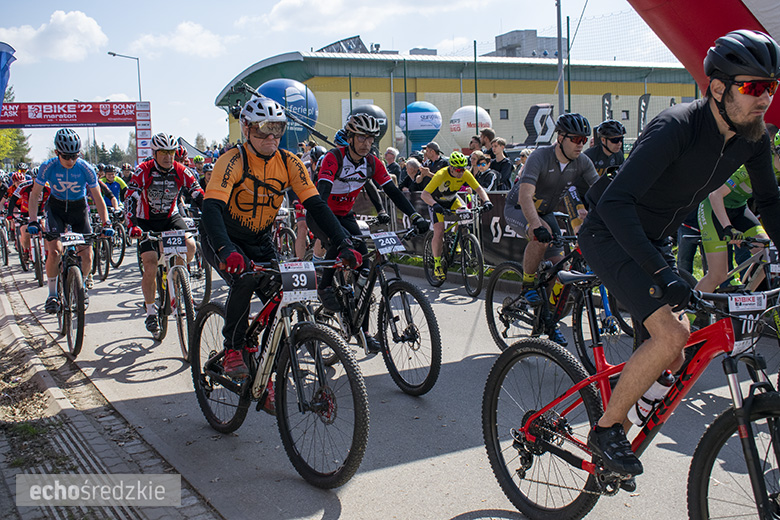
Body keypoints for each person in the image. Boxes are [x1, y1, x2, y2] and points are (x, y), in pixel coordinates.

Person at [577, 30, 780, 480]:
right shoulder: (677, 127)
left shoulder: (752, 137)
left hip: (657, 238)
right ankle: (606, 430)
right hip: (611, 233)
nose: (765, 98)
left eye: (772, 87)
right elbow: (613, 204)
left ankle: (630, 407)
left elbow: (769, 203)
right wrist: (662, 270)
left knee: (672, 351)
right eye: (754, 87)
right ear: (719, 87)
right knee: (672, 335)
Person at [201, 96, 359, 381]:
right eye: (263, 128)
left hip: (259, 239)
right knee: (246, 278)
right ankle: (234, 347)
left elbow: (317, 205)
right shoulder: (233, 160)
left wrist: (344, 241)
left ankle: (265, 372)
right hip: (224, 238)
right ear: (246, 128)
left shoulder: (289, 162)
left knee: (283, 296)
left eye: (278, 128)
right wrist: (225, 250)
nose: (271, 136)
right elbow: (211, 208)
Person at [308, 113, 429, 353]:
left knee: (364, 271)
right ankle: (324, 286)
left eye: (370, 138)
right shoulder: (334, 158)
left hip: (345, 214)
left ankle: (362, 331)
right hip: (320, 212)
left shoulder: (372, 162)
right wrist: (335, 233)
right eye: (361, 137)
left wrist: (415, 215)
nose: (366, 143)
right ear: (350, 137)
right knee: (340, 240)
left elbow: (392, 192)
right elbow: (320, 198)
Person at [504, 113, 598, 345]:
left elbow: (600, 190)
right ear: (560, 137)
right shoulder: (540, 157)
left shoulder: (582, 162)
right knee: (541, 237)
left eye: (584, 140)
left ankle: (546, 319)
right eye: (575, 139)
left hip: (545, 210)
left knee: (560, 267)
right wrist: (535, 226)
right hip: (518, 208)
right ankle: (527, 285)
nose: (580, 145)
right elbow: (526, 197)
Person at [125, 132, 204, 335]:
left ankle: (179, 283)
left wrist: (211, 214)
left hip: (170, 218)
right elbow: (130, 199)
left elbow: (197, 193)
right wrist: (132, 224)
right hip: (145, 221)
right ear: (155, 153)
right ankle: (151, 311)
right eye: (163, 152)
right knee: (150, 264)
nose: (168, 157)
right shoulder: (143, 171)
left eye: (171, 152)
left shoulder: (181, 170)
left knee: (191, 246)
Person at [27, 129, 113, 313]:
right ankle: (52, 294)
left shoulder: (86, 168)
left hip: (79, 209)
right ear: (57, 152)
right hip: (56, 209)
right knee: (55, 252)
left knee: (88, 255)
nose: (71, 161)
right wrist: (33, 221)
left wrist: (106, 223)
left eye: (74, 156)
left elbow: (98, 199)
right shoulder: (47, 167)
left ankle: (80, 285)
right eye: (66, 156)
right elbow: (35, 195)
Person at [695, 164, 770, 292]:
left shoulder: (776, 170)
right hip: (713, 208)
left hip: (739, 208)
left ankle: (745, 300)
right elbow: (715, 195)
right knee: (718, 275)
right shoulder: (749, 167)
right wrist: (728, 227)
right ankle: (688, 309)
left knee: (768, 256)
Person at [420, 150, 492, 280]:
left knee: (465, 214)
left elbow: (479, 189)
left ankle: (459, 239)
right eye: (458, 170)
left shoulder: (465, 173)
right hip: (437, 201)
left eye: (463, 170)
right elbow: (424, 195)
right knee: (439, 230)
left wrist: (486, 201)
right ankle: (437, 264)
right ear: (451, 168)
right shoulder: (441, 175)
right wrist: (435, 205)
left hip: (452, 199)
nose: (461, 173)